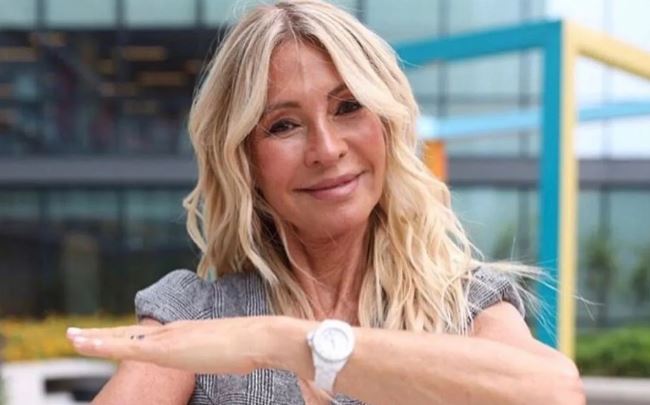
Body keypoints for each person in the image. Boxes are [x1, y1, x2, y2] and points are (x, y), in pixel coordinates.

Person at [65, 1, 585, 404]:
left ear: (387, 124)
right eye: (284, 125)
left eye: (348, 106)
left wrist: (284, 342)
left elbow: (555, 393)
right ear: (246, 160)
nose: (327, 149)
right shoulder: (196, 316)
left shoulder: (465, 304)